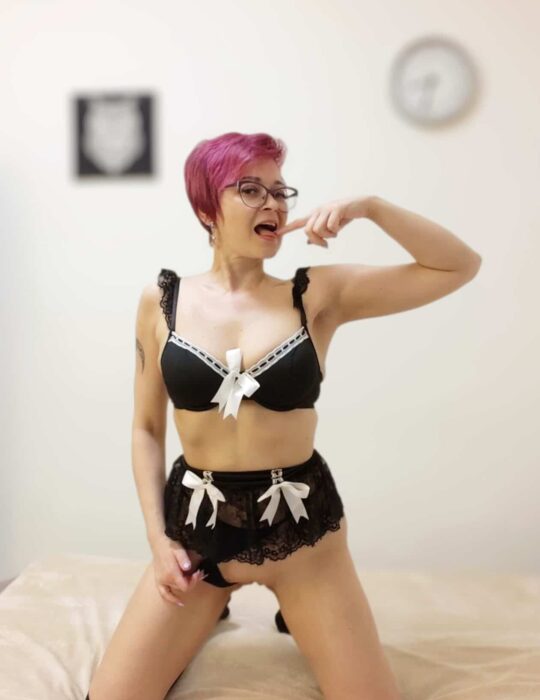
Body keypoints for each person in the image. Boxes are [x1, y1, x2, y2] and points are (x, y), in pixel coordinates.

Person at [87, 132, 481, 700]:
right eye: (250, 189)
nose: (272, 203)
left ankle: (292, 611)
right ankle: (211, 609)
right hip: (197, 531)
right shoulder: (162, 300)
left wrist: (369, 207)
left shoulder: (316, 294)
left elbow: (458, 266)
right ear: (206, 208)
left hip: (301, 537)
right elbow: (146, 429)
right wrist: (157, 540)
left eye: (279, 191)